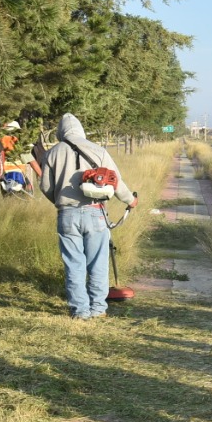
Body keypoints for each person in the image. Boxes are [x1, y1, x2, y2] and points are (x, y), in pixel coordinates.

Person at [39, 114, 137, 319]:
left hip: (67, 214)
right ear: (80, 129)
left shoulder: (52, 153)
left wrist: (60, 201)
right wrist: (130, 200)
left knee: (73, 264)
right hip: (96, 212)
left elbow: (46, 186)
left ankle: (80, 311)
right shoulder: (98, 150)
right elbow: (115, 181)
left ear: (60, 132)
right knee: (98, 263)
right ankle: (98, 308)